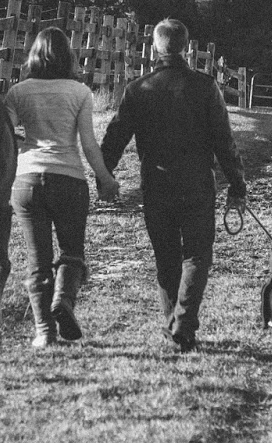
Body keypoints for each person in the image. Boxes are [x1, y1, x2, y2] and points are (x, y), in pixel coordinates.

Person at [100, 18, 247, 352]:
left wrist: (104, 175)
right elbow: (224, 141)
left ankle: (177, 325)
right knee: (197, 254)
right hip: (197, 183)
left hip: (156, 183)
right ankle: (181, 324)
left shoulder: (138, 90)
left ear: (155, 47)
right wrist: (237, 184)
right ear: (187, 48)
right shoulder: (205, 87)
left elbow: (115, 138)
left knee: (165, 257)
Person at [4, 26, 121, 347]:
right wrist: (106, 179)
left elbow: (6, 134)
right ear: (68, 56)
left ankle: (44, 332)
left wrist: (24, 145)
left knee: (37, 261)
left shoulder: (18, 92)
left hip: (27, 182)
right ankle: (63, 300)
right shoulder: (79, 92)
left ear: (34, 56)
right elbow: (88, 144)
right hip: (69, 179)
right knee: (72, 253)